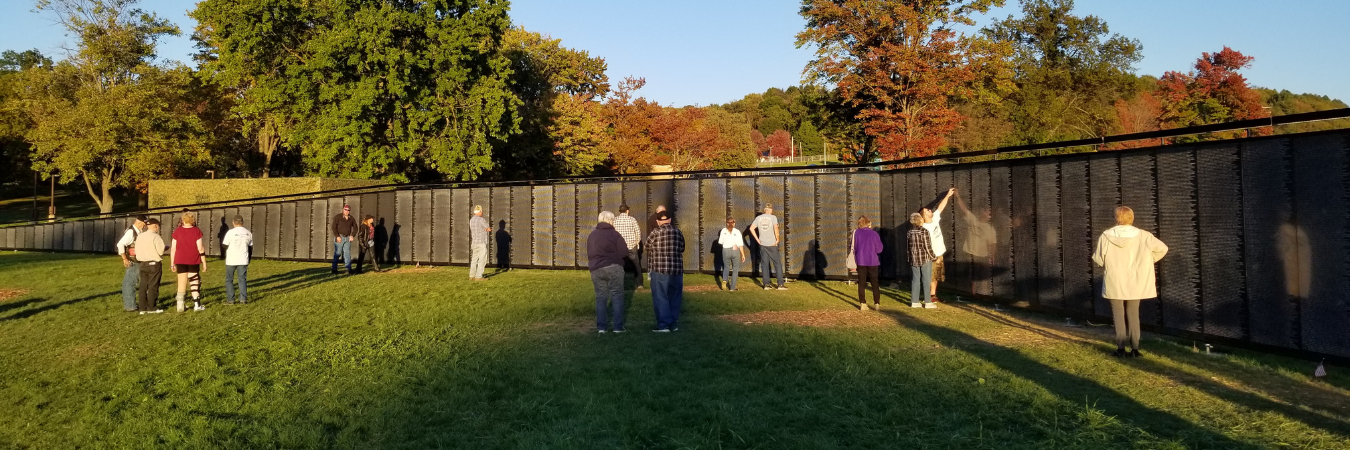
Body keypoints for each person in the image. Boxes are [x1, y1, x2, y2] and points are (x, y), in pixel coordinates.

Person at [1093, 206, 1168, 358]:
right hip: (1136, 280)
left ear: (1117, 218)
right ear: (1132, 217)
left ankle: (1120, 349)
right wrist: (1148, 260)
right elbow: (1163, 248)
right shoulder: (1144, 236)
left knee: (1118, 314)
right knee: (1134, 313)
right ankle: (1135, 349)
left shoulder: (1106, 236)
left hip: (1115, 279)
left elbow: (1099, 259)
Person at [588, 211, 629, 333]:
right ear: (611, 221)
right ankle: (618, 327)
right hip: (613, 267)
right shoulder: (615, 235)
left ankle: (602, 327)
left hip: (596, 268)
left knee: (601, 298)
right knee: (617, 296)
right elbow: (624, 253)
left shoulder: (592, 235)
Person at [645, 211, 685, 332]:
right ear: (670, 220)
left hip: (660, 270)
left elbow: (647, 246)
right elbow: (682, 248)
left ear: (658, 222)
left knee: (660, 296)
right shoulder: (678, 232)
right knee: (675, 296)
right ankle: (673, 323)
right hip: (676, 270)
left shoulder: (655, 232)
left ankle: (663, 324)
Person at [955, 193, 997, 294]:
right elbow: (964, 208)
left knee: (983, 278)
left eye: (989, 213)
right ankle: (971, 293)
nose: (987, 213)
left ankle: (984, 294)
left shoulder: (990, 229)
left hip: (982, 256)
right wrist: (958, 196)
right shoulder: (973, 220)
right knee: (970, 276)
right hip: (969, 254)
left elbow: (993, 244)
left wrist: (992, 257)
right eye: (986, 210)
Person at [921, 188, 956, 302]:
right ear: (924, 216)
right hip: (930, 255)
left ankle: (933, 295)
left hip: (939, 253)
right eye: (927, 211)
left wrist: (947, 196)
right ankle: (928, 295)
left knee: (936, 275)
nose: (930, 211)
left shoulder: (935, 219)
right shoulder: (923, 228)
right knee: (930, 275)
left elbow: (940, 207)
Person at [170, 211, 207, 312]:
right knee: (194, 281)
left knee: (181, 283)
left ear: (183, 220)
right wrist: (204, 262)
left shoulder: (177, 231)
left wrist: (172, 263)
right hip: (193, 260)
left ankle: (180, 305)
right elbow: (200, 248)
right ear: (193, 220)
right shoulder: (196, 231)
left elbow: (173, 249)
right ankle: (196, 304)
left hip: (180, 260)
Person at [133, 218, 168, 314]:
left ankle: (142, 308)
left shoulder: (140, 236)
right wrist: (166, 248)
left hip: (142, 264)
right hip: (154, 264)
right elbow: (160, 251)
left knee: (143, 286)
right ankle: (152, 307)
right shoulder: (156, 237)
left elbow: (136, 250)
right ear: (156, 226)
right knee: (153, 286)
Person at [115, 214, 148, 312]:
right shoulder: (131, 232)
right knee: (130, 283)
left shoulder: (137, 231)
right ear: (138, 222)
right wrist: (124, 258)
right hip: (133, 261)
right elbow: (120, 244)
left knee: (131, 282)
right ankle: (130, 306)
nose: (145, 226)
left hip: (137, 260)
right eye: (143, 224)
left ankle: (131, 304)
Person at [751, 203, 786, 290]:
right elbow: (776, 228)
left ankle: (766, 284)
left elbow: (751, 228)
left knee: (764, 264)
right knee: (777, 264)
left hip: (762, 244)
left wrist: (757, 239)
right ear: (770, 210)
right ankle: (780, 284)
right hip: (772, 244)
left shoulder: (758, 218)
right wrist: (777, 238)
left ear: (764, 210)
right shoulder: (773, 217)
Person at [853, 216, 884, 311]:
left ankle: (862, 303)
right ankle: (877, 303)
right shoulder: (874, 234)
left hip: (860, 260)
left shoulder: (856, 233)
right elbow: (879, 249)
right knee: (874, 282)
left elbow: (853, 247)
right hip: (872, 261)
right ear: (869, 224)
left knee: (861, 282)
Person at [907, 213, 937, 308]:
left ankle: (914, 301)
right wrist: (933, 256)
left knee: (915, 280)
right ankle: (928, 301)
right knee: (926, 279)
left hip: (913, 259)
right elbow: (927, 247)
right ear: (920, 220)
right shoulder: (924, 231)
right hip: (925, 259)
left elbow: (908, 247)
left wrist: (909, 258)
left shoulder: (909, 232)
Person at [221, 214, 253, 305]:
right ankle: (243, 299)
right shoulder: (248, 232)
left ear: (233, 223)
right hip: (243, 259)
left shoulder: (230, 232)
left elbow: (224, 245)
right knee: (242, 279)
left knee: (229, 280)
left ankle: (231, 299)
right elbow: (251, 248)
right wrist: (249, 259)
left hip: (231, 259)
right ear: (242, 222)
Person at [613, 204, 642, 289]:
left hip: (619, 248)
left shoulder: (615, 220)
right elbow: (638, 232)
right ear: (627, 211)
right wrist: (637, 243)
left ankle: (619, 285)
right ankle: (639, 284)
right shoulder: (632, 219)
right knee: (636, 266)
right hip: (631, 246)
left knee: (619, 267)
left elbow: (613, 234)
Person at [717, 218, 747, 291]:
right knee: (735, 269)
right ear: (734, 223)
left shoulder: (723, 231)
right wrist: (743, 254)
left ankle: (724, 279)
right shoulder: (737, 231)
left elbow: (720, 242)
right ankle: (732, 287)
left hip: (725, 250)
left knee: (726, 267)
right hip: (735, 250)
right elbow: (740, 244)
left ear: (727, 223)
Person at [644, 205, 667, 288]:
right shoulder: (655, 219)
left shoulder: (651, 218)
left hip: (652, 242)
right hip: (657, 242)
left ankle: (651, 275)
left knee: (652, 261)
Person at [332, 205, 357, 274]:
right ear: (343, 210)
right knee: (337, 253)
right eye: (345, 209)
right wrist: (337, 236)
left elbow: (355, 227)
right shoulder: (338, 217)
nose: (346, 211)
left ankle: (348, 269)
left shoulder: (351, 218)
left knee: (347, 254)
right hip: (340, 237)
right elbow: (334, 227)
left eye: (348, 210)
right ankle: (334, 269)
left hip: (347, 238)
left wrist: (352, 235)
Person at [469, 205, 491, 280]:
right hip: (481, 242)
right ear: (480, 211)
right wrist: (485, 229)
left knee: (474, 259)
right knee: (482, 260)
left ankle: (471, 276)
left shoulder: (471, 220)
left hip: (474, 242)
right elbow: (488, 228)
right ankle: (478, 276)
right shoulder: (481, 220)